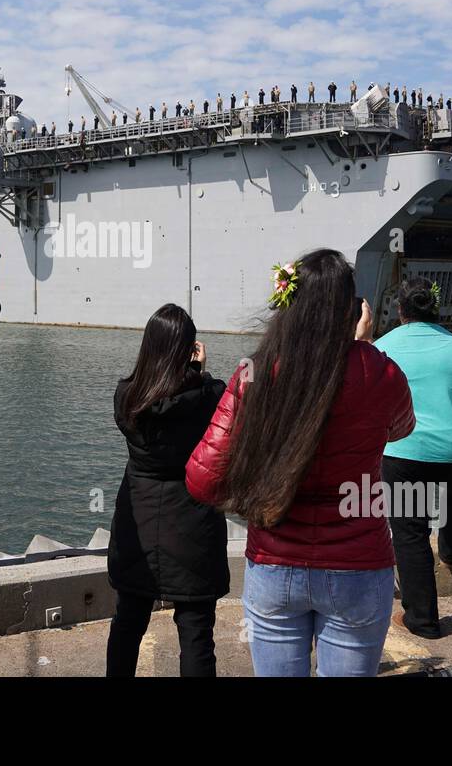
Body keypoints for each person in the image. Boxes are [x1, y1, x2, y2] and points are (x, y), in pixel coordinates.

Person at [186, 250, 415, 677]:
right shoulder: (380, 370)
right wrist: (363, 352)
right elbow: (402, 426)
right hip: (359, 565)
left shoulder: (252, 371)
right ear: (352, 311)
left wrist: (255, 489)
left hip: (275, 563)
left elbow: (202, 479)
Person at [106, 305, 229, 677]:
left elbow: (164, 401)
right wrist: (198, 372)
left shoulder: (126, 397)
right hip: (193, 525)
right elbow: (204, 403)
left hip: (138, 526)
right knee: (195, 633)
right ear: (188, 349)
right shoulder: (210, 396)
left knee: (127, 623)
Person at [374, 278, 452, 639]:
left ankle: (422, 620)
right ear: (436, 309)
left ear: (400, 311)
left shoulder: (382, 348)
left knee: (410, 533)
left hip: (405, 454)